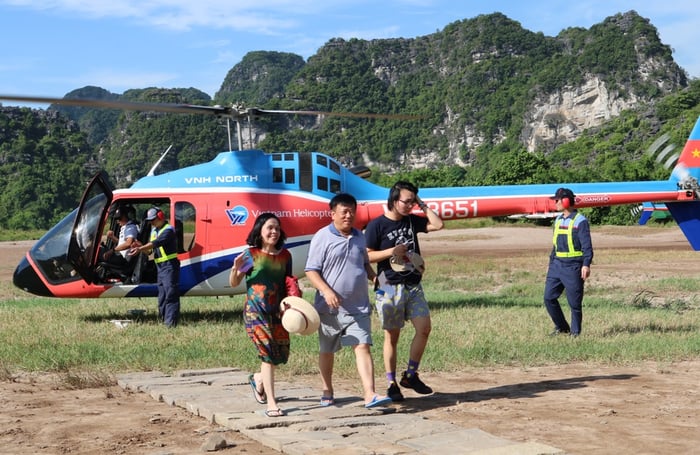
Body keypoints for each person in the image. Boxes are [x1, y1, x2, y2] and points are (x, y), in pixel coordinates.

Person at [305, 193, 391, 409]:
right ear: (332, 213)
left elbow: (364, 263)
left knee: (362, 346)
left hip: (359, 306)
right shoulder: (322, 237)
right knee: (327, 351)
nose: (349, 215)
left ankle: (370, 394)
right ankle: (327, 389)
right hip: (329, 308)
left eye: (352, 211)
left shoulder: (360, 237)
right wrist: (326, 291)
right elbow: (311, 271)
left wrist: (377, 280)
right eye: (344, 211)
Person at [365, 181, 444, 402]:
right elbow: (367, 256)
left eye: (412, 202)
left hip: (413, 283)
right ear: (393, 200)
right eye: (406, 201)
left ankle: (410, 375)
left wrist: (421, 203)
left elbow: (438, 225)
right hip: (387, 283)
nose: (410, 206)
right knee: (392, 335)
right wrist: (392, 251)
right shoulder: (376, 225)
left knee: (424, 328)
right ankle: (391, 383)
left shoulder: (412, 221)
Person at [229, 213, 292, 418]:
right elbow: (234, 283)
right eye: (270, 228)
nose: (274, 231)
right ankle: (272, 403)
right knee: (267, 355)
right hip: (255, 312)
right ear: (260, 230)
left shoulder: (285, 256)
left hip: (278, 312)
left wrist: (292, 306)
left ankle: (258, 380)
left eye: (277, 228)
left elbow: (288, 282)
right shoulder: (251, 254)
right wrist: (235, 268)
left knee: (278, 355)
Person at [544, 187, 593, 338]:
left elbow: (587, 246)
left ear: (566, 201)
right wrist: (551, 264)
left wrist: (586, 264)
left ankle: (575, 333)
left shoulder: (580, 221)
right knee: (549, 297)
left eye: (557, 200)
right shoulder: (558, 220)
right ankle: (562, 327)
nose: (555, 203)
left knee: (574, 304)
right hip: (557, 265)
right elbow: (555, 245)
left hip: (573, 267)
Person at [130, 207, 180, 327]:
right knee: (162, 296)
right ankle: (163, 320)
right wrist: (141, 246)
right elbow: (150, 252)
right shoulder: (154, 231)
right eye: (150, 220)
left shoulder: (168, 230)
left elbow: (156, 243)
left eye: (153, 219)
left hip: (170, 266)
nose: (151, 222)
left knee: (170, 294)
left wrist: (140, 248)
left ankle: (170, 323)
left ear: (161, 217)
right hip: (160, 267)